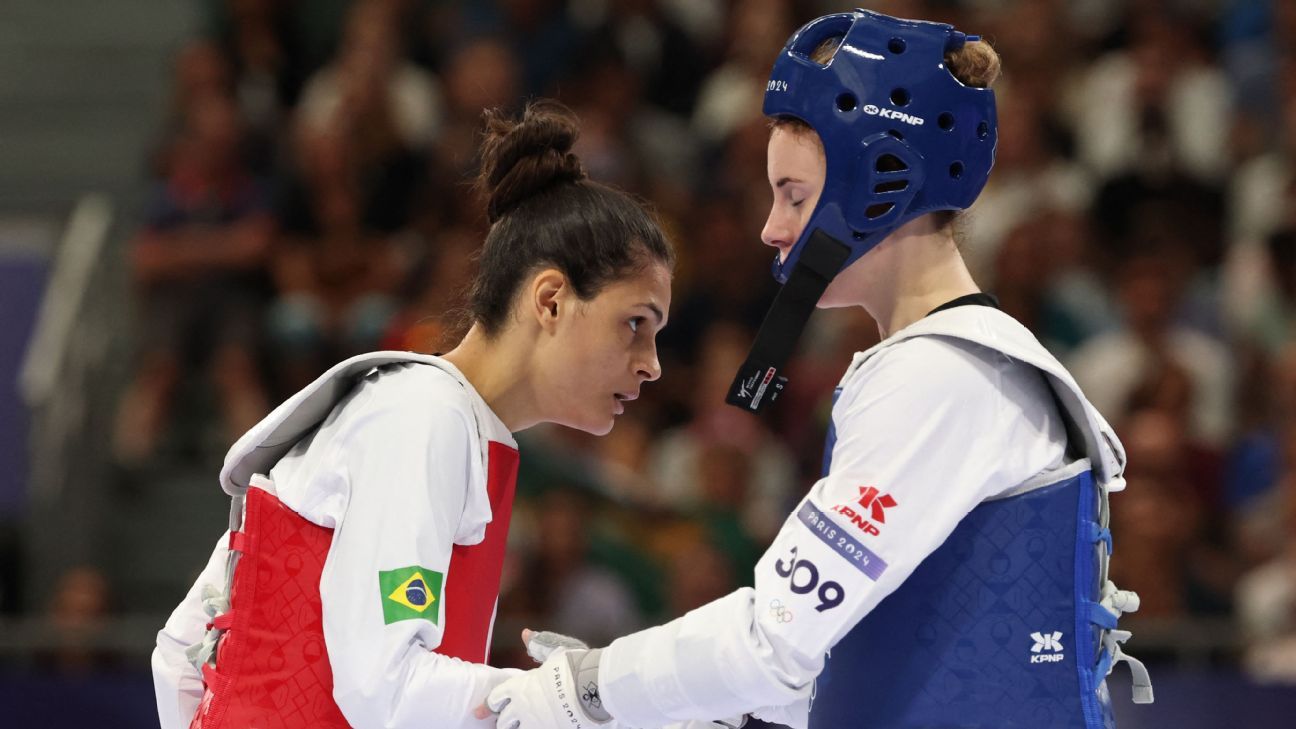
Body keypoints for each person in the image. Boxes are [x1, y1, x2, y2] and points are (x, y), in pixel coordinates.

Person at [483, 10, 1153, 729]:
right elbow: (842, 672)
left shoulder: (943, 377)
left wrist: (581, 687)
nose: (772, 228)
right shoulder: (954, 367)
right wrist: (629, 699)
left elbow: (773, 641)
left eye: (794, 195)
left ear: (881, 184)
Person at [150, 100, 674, 729]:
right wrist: (572, 697)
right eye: (636, 324)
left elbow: (180, 654)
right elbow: (386, 687)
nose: (652, 364)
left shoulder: (443, 423)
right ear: (552, 300)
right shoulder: (420, 418)